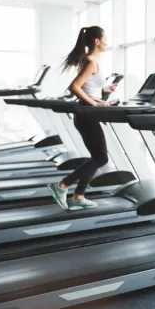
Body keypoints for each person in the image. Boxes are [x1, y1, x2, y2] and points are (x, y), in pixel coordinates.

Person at [47, 26, 118, 211]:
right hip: (87, 115)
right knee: (101, 158)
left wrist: (102, 94)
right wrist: (94, 104)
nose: (107, 43)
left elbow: (86, 89)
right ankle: (62, 185)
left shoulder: (91, 61)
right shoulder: (91, 62)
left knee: (97, 157)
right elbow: (75, 87)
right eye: (105, 39)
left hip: (86, 113)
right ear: (97, 41)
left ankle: (78, 196)